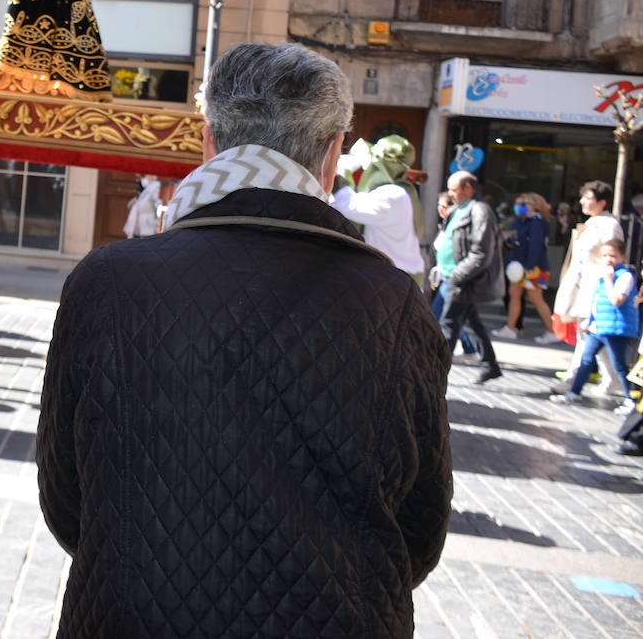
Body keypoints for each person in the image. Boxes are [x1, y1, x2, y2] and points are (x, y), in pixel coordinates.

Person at [39, 43, 451, 638]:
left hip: (128, 615)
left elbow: (67, 500)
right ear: (332, 153)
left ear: (208, 142)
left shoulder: (106, 281)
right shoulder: (394, 303)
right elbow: (419, 524)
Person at [551, 181, 625, 393]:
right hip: (581, 285)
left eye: (588, 198)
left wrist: (607, 284)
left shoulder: (609, 226)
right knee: (590, 335)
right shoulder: (592, 222)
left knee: (589, 334)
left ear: (602, 202)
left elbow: (612, 257)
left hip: (595, 287)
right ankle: (611, 379)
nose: (583, 201)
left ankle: (575, 379)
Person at [551, 239, 638, 408]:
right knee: (586, 360)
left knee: (618, 364)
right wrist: (590, 321)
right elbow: (597, 302)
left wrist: (608, 280)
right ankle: (574, 392)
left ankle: (630, 399)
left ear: (622, 257)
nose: (608, 259)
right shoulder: (604, 276)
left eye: (613, 255)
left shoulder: (624, 276)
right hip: (598, 328)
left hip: (615, 329)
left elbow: (616, 300)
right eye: (605, 255)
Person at [440, 171, 505, 383]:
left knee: (447, 326)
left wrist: (457, 276)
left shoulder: (480, 211)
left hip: (463, 280)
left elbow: (481, 253)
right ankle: (489, 364)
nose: (451, 194)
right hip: (453, 276)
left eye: (454, 190)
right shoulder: (459, 209)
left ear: (469, 188)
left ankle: (435, 373)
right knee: (470, 322)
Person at [331, 134, 425, 280]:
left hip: (397, 277)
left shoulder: (393, 194)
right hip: (394, 274)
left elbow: (346, 205)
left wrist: (343, 173)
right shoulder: (400, 192)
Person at [492, 192, 554, 341]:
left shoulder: (537, 222)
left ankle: (552, 331)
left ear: (535, 206)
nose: (519, 207)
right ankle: (511, 327)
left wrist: (530, 266)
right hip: (518, 268)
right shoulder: (521, 221)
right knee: (515, 294)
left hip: (533, 268)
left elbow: (536, 247)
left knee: (536, 298)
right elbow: (518, 240)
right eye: (518, 204)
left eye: (523, 204)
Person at [431, 189, 476, 358]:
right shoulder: (445, 224)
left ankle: (439, 353)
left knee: (440, 317)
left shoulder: (457, 225)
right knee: (460, 318)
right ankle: (474, 351)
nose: (439, 208)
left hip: (453, 277)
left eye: (442, 205)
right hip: (444, 276)